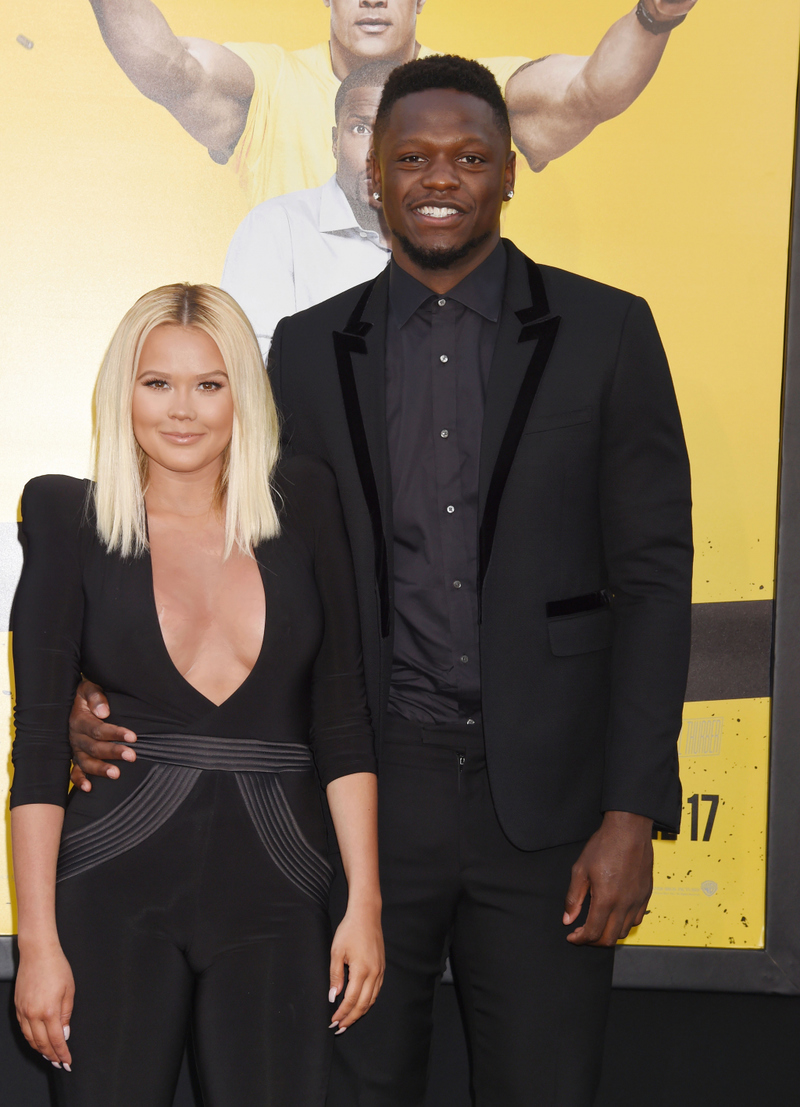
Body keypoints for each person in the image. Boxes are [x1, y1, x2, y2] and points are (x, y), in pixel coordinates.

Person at [67, 55, 693, 1106]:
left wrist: (631, 810)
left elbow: (650, 581)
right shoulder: (307, 353)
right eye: (410, 157)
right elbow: (219, 540)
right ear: (372, 177)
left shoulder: (607, 332)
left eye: (466, 157)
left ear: (506, 174)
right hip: (354, 801)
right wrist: (92, 687)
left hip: (544, 814)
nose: (437, 176)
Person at [10, 284, 383, 1106]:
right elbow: (37, 747)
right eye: (158, 383)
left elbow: (343, 719)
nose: (183, 410)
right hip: (112, 892)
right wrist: (36, 944)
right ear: (124, 392)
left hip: (283, 890)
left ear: (242, 394)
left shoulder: (307, 507)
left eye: (210, 384)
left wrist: (366, 902)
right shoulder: (70, 517)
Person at [88, 0, 700, 207]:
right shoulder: (271, 81)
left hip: (435, 368)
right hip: (297, 383)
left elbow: (592, 91)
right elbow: (165, 66)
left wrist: (655, 15)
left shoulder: (476, 87)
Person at [222, 61, 393, 361]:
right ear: (335, 142)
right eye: (361, 128)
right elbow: (251, 368)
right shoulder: (276, 228)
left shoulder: (450, 242)